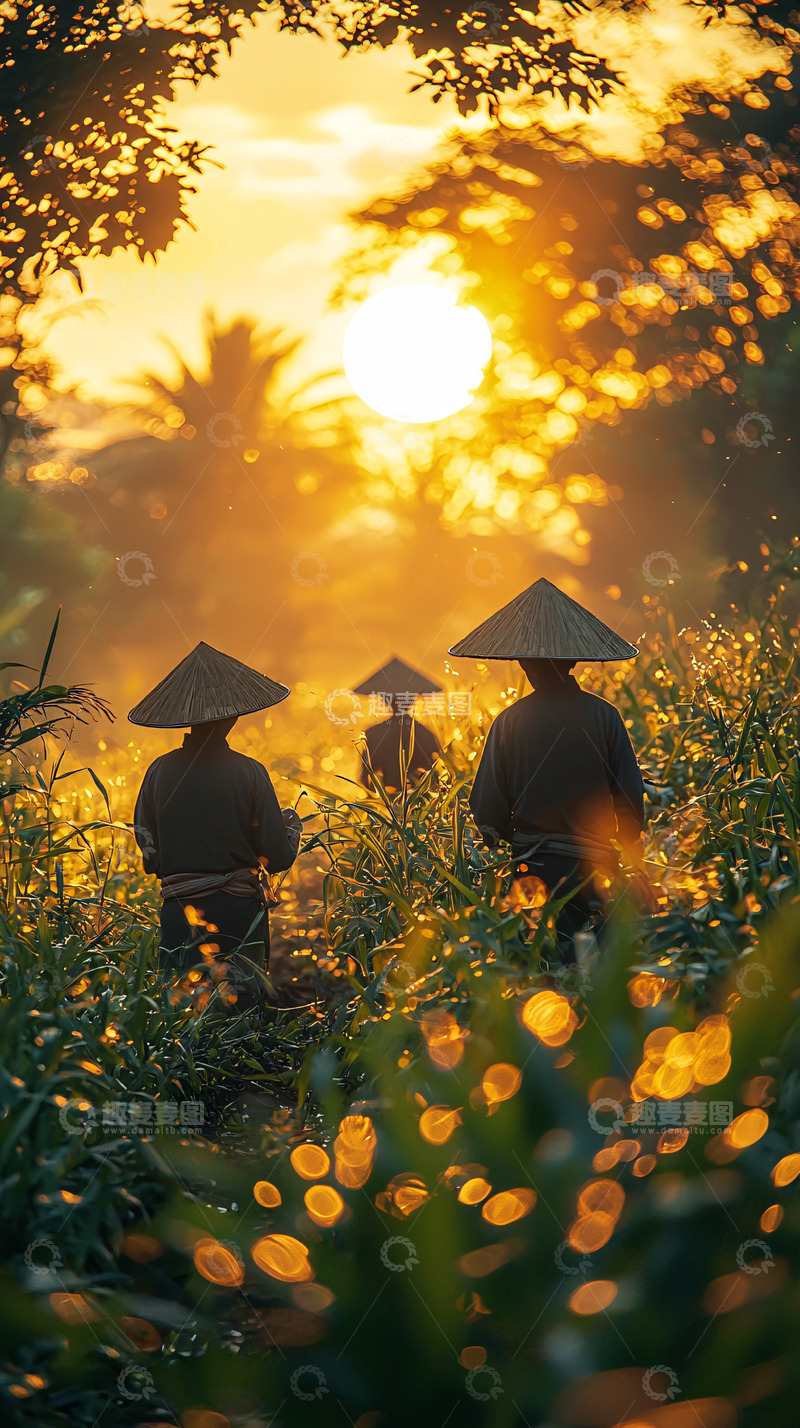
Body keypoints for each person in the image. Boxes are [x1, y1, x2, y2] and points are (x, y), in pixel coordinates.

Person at [449, 577, 648, 960]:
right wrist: (622, 843)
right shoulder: (605, 717)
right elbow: (630, 802)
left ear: (524, 664)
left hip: (532, 867)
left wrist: (512, 838)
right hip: (596, 869)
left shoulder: (509, 722)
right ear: (575, 661)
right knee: (594, 966)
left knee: (540, 967)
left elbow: (486, 809)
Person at [130, 641, 301, 1006]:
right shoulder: (250, 773)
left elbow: (151, 856)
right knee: (241, 1014)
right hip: (238, 916)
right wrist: (292, 829)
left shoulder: (158, 772)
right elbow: (278, 857)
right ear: (232, 719)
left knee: (183, 1014)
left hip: (180, 914)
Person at [353, 655, 442, 794]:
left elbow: (364, 778)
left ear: (384, 700)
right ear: (413, 700)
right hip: (421, 804)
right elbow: (438, 775)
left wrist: (382, 798)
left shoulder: (373, 734)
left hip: (387, 804)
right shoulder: (425, 733)